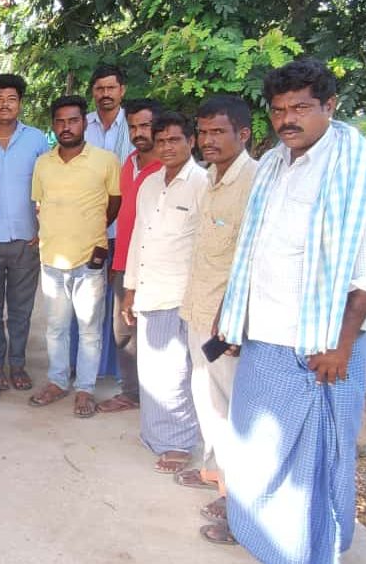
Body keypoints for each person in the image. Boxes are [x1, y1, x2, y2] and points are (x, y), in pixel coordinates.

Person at [211, 58, 366, 558]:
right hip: (266, 333)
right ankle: (257, 533)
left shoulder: (364, 165)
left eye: (301, 108)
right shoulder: (274, 162)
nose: (287, 119)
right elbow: (253, 248)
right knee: (257, 444)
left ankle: (304, 548)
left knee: (313, 454)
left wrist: (341, 345)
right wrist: (233, 313)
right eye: (278, 110)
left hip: (322, 344)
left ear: (329, 106)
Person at [172, 96, 258, 532]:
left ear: (243, 134)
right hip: (198, 307)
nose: (207, 140)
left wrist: (232, 318)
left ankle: (235, 496)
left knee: (228, 404)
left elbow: (250, 258)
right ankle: (213, 470)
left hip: (225, 320)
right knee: (205, 394)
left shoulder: (253, 182)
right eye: (203, 132)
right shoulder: (210, 177)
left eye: (218, 132)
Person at [121, 112, 207, 474]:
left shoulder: (202, 183)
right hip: (148, 290)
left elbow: (207, 246)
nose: (167, 147)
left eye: (174, 140)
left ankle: (179, 443)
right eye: (161, 141)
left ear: (191, 141)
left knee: (175, 372)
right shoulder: (150, 184)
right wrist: (130, 290)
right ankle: (157, 436)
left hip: (180, 293)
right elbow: (138, 238)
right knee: (152, 371)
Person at [28, 95, 120, 418]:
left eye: (73, 120)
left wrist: (90, 231)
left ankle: (85, 389)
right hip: (52, 260)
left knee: (89, 329)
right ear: (53, 126)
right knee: (55, 328)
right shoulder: (43, 163)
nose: (66, 127)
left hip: (89, 260)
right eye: (60, 121)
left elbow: (114, 204)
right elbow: (39, 204)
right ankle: (57, 382)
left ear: (84, 123)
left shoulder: (106, 161)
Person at [0, 74, 50, 392]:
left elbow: (49, 188)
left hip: (26, 238)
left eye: (11, 99)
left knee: (20, 309)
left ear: (20, 103)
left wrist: (44, 228)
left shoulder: (37, 140)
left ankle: (17, 365)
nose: (5, 104)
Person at [97, 99, 164, 413]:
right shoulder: (129, 163)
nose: (139, 133)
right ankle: (132, 393)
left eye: (145, 126)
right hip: (125, 264)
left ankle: (161, 401)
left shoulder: (169, 169)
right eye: (133, 126)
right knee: (123, 332)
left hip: (157, 268)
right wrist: (118, 262)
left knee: (157, 337)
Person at [86, 64, 132, 242]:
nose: (105, 94)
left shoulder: (135, 125)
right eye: (100, 89)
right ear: (93, 92)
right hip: (88, 225)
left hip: (127, 224)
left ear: (122, 90)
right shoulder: (81, 125)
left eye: (111, 88)